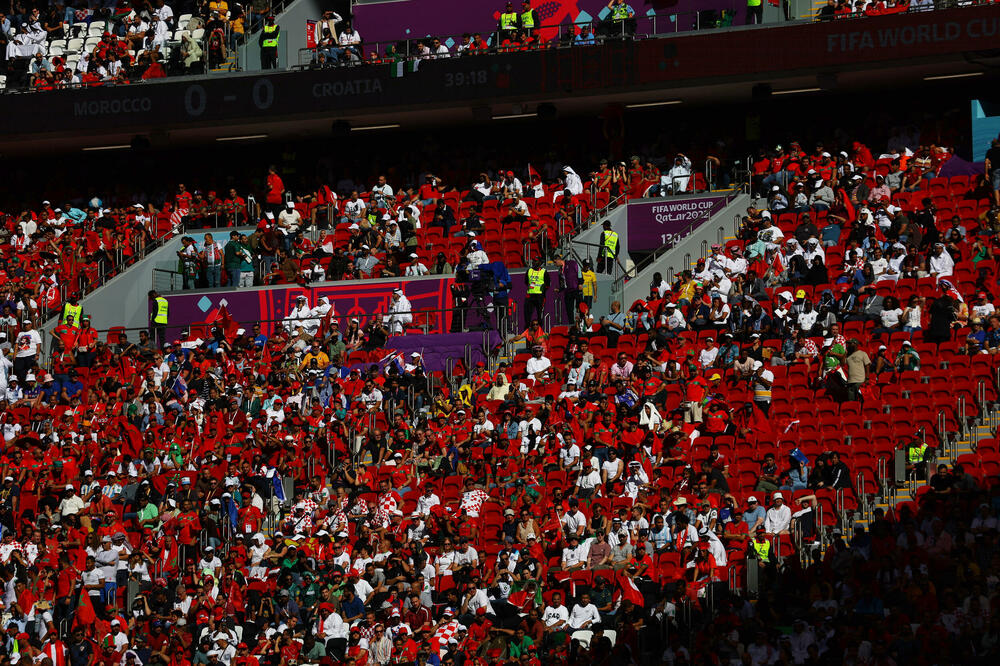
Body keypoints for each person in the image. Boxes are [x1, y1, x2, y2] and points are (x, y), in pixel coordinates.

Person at [524, 258, 548, 328]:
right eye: (534, 261)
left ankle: (540, 330)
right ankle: (528, 331)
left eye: (536, 261)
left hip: (540, 296)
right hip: (530, 295)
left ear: (540, 262)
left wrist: (543, 289)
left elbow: (548, 284)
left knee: (540, 314)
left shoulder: (544, 271)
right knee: (527, 315)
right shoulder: (529, 270)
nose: (534, 262)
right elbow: (526, 282)